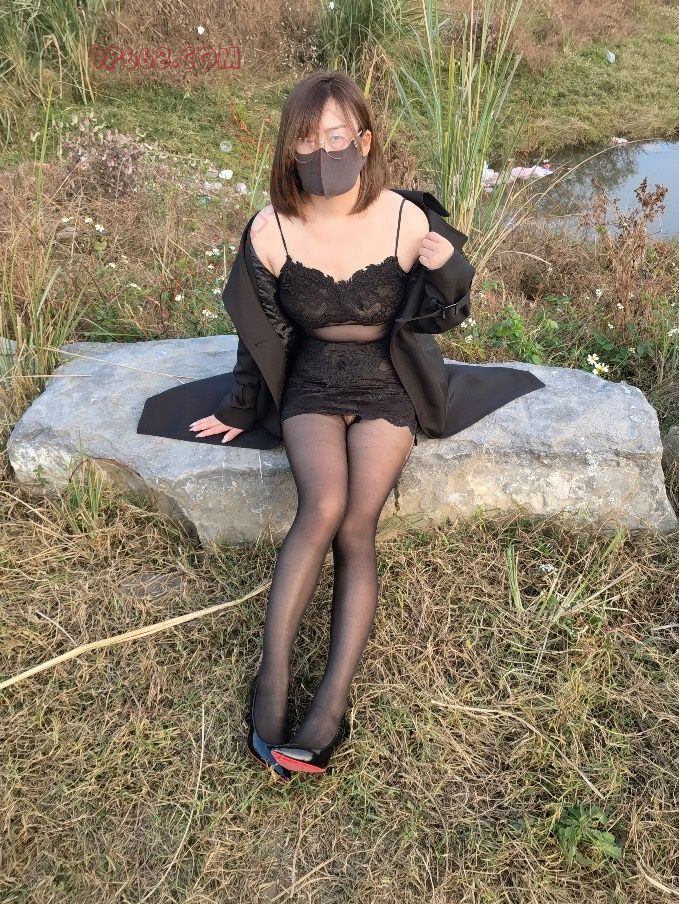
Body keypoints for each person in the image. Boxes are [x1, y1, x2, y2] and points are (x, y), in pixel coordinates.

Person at [136, 69, 546, 780]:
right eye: (306, 139)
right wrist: (241, 405)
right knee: (322, 504)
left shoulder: (405, 217)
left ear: (363, 140)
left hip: (390, 376)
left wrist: (451, 267)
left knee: (358, 524)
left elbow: (445, 314)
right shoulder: (271, 228)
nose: (321, 151)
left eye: (335, 137)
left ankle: (330, 706)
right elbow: (258, 334)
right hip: (313, 377)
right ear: (289, 148)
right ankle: (271, 682)